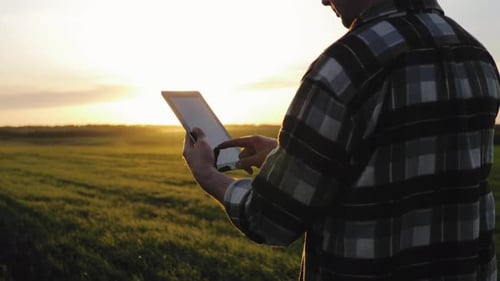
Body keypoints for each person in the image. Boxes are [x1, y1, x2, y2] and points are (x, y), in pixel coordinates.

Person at [182, 0, 500, 280]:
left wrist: (207, 174)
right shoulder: (477, 56)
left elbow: (269, 218)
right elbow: (402, 161)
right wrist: (284, 156)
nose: (322, 1)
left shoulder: (345, 67)